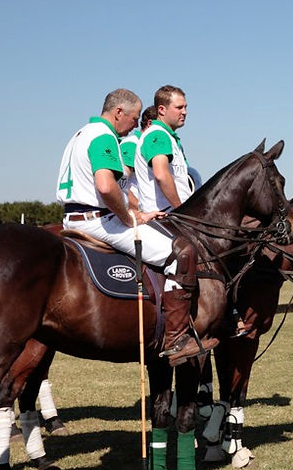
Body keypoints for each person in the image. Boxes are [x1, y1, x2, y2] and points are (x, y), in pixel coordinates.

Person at [56, 88, 210, 367]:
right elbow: (105, 186)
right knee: (182, 253)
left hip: (73, 218)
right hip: (98, 221)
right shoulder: (103, 137)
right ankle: (176, 338)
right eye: (134, 117)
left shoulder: (80, 134)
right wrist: (129, 217)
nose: (135, 124)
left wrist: (135, 211)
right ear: (118, 113)